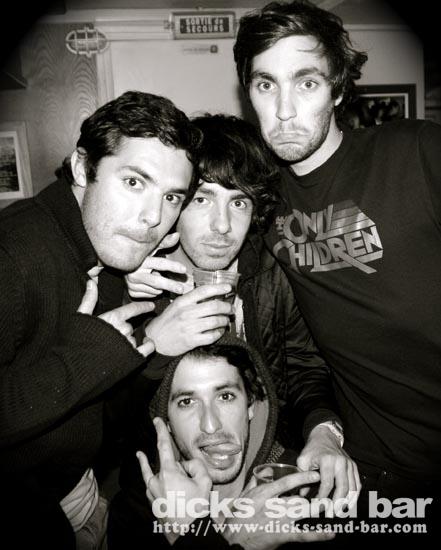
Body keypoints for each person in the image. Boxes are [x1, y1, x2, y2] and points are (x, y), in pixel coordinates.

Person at [233, 0, 441, 544]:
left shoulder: (416, 153)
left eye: (306, 83)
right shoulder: (261, 203)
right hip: (367, 468)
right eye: (265, 85)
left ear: (338, 91)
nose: (283, 110)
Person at [0, 90, 213, 549]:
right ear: (82, 168)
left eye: (171, 197)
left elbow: (98, 407)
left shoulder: (103, 255)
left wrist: (149, 343)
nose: (152, 218)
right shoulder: (13, 255)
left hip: (78, 488)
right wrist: (83, 358)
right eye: (134, 182)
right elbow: (80, 366)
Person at [123, 114, 359, 501]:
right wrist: (153, 346)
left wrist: (322, 431)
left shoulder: (272, 271)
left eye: (238, 202)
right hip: (164, 486)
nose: (222, 225)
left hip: (266, 469)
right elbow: (110, 418)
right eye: (202, 199)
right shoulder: (137, 284)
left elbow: (303, 369)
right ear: (174, 203)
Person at [108, 334, 338, 549]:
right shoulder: (135, 515)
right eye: (187, 402)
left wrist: (192, 533)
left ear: (251, 405)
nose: (211, 425)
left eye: (225, 396)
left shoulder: (310, 497)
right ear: (166, 421)